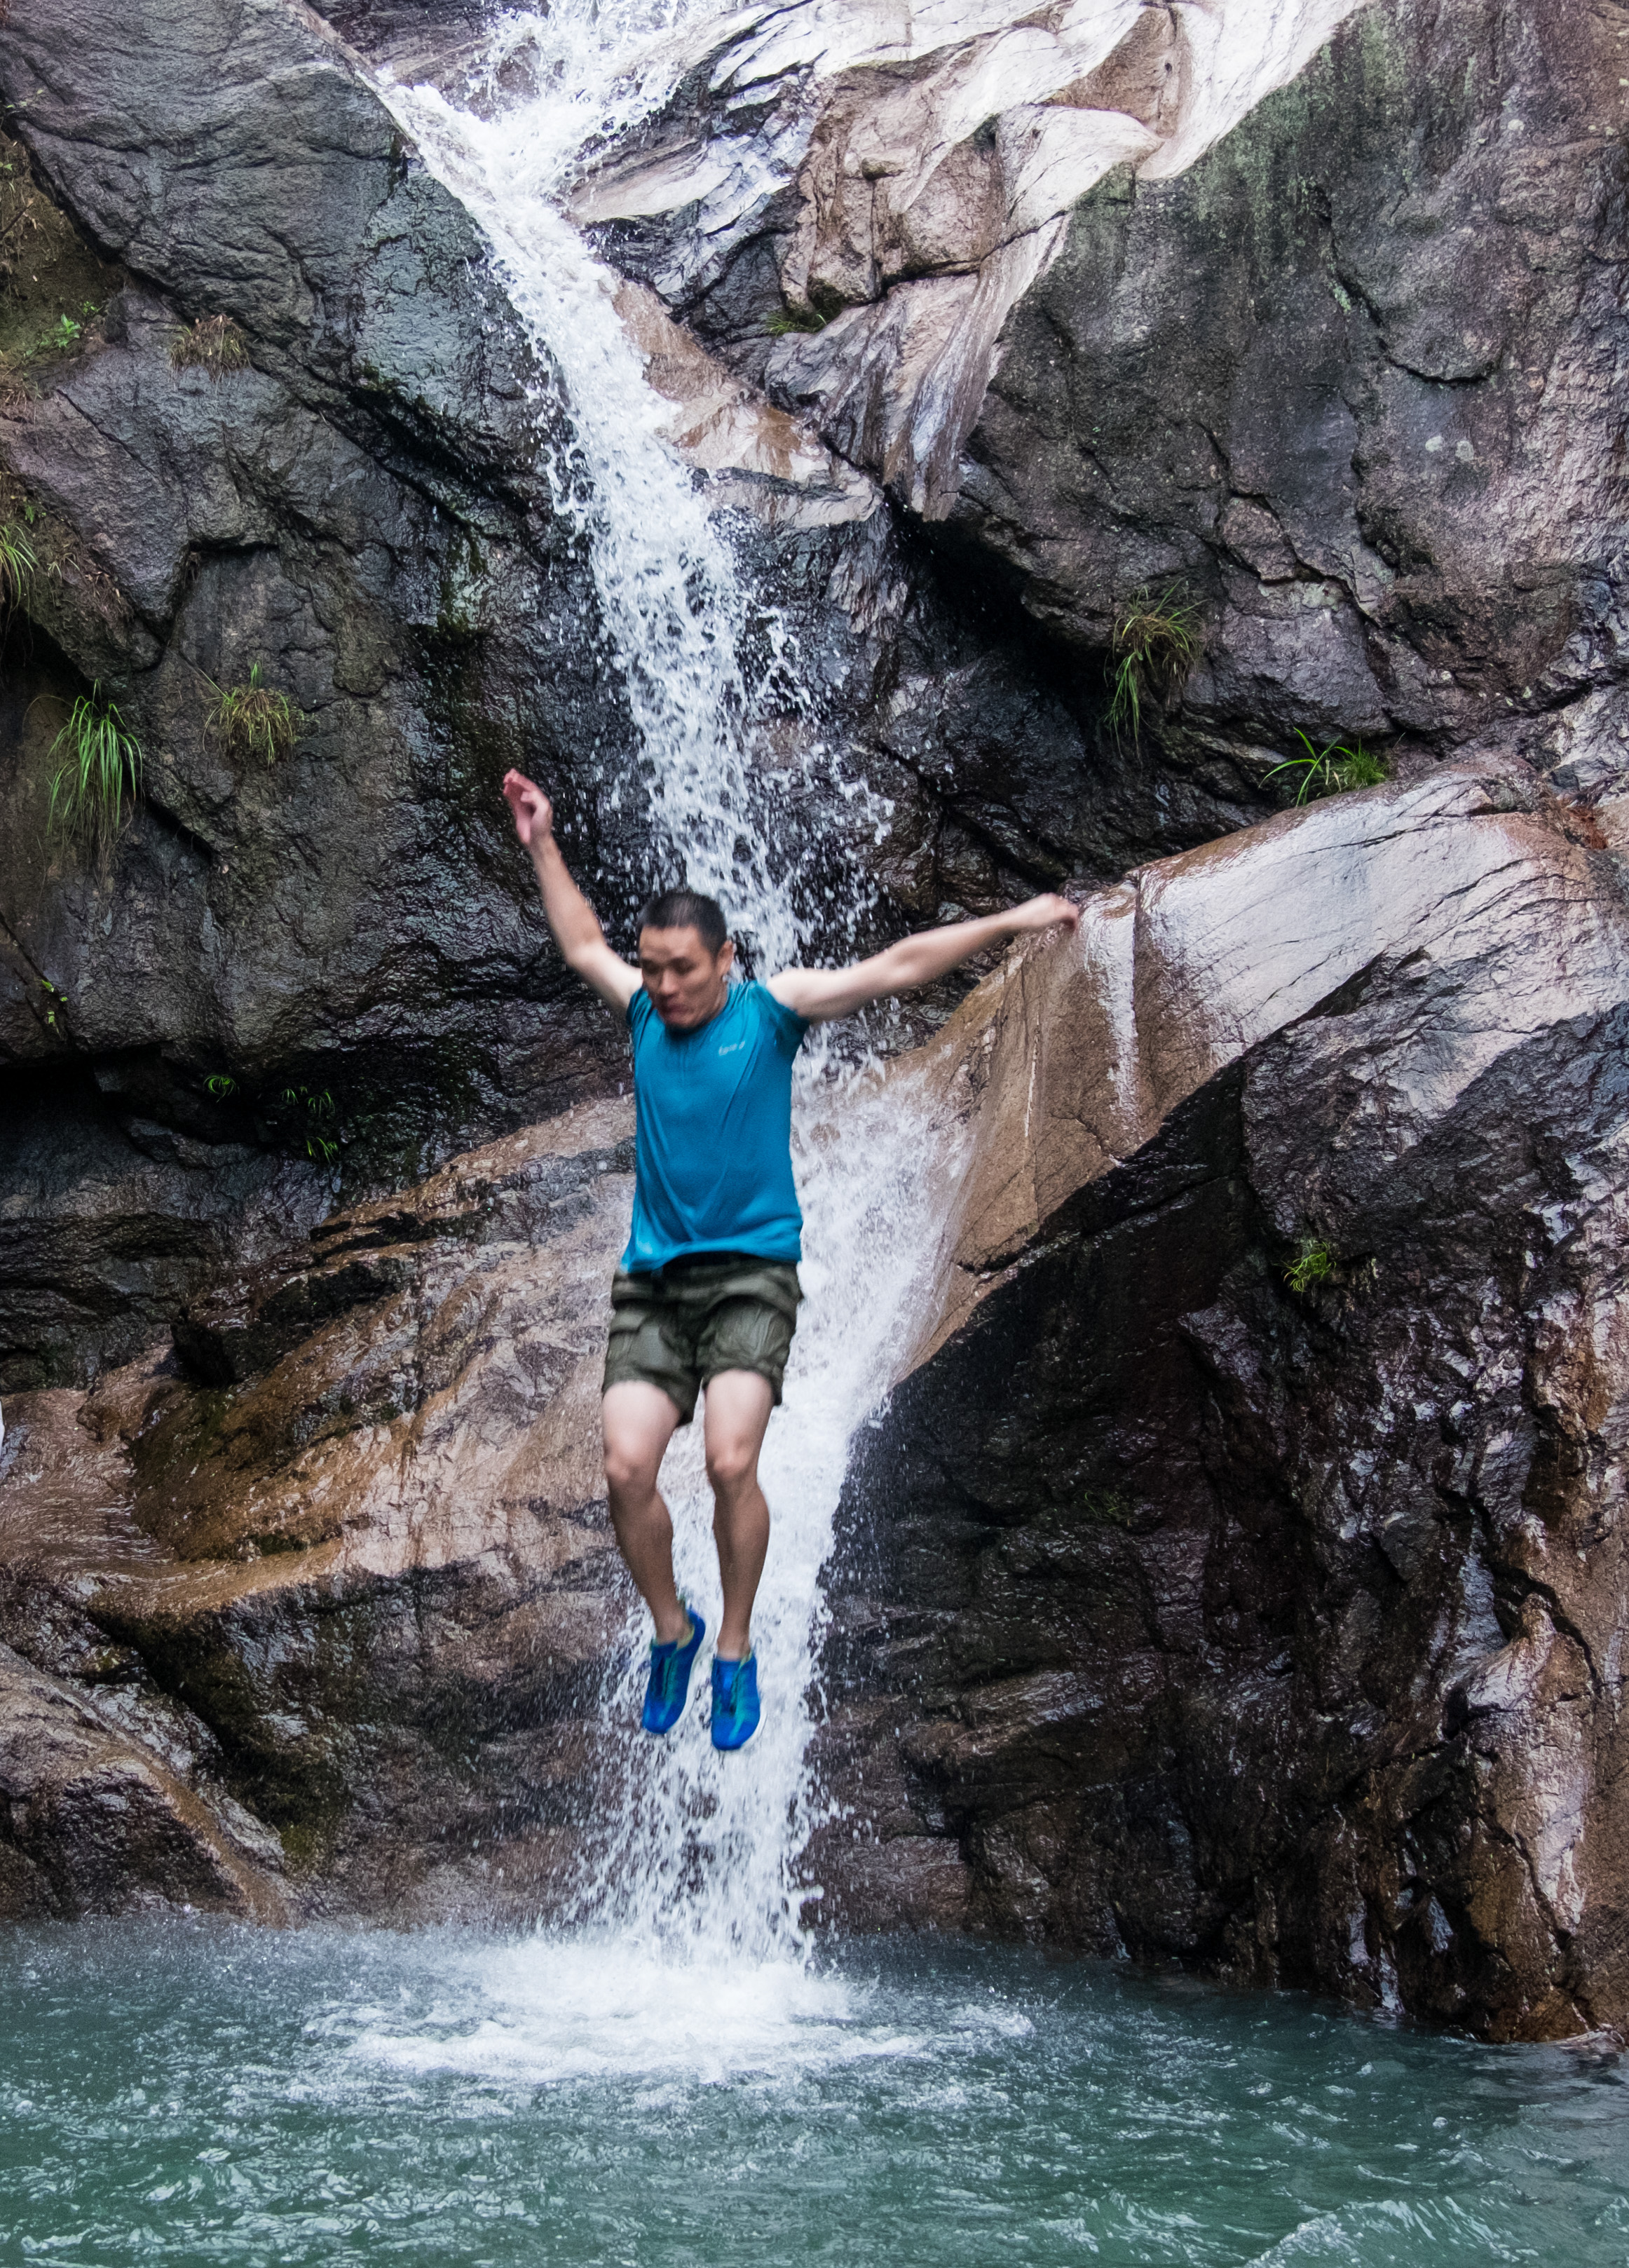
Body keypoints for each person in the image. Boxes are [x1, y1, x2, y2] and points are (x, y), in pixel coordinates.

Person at [502, 768, 1081, 1751]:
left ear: (726, 958)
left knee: (731, 1459)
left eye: (684, 970)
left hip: (752, 1275)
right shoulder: (639, 1009)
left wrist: (1016, 920)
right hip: (654, 1283)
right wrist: (542, 841)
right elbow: (581, 944)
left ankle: (734, 1648)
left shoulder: (773, 1008)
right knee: (626, 1465)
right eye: (653, 969)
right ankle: (674, 1633)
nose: (665, 987)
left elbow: (898, 967)